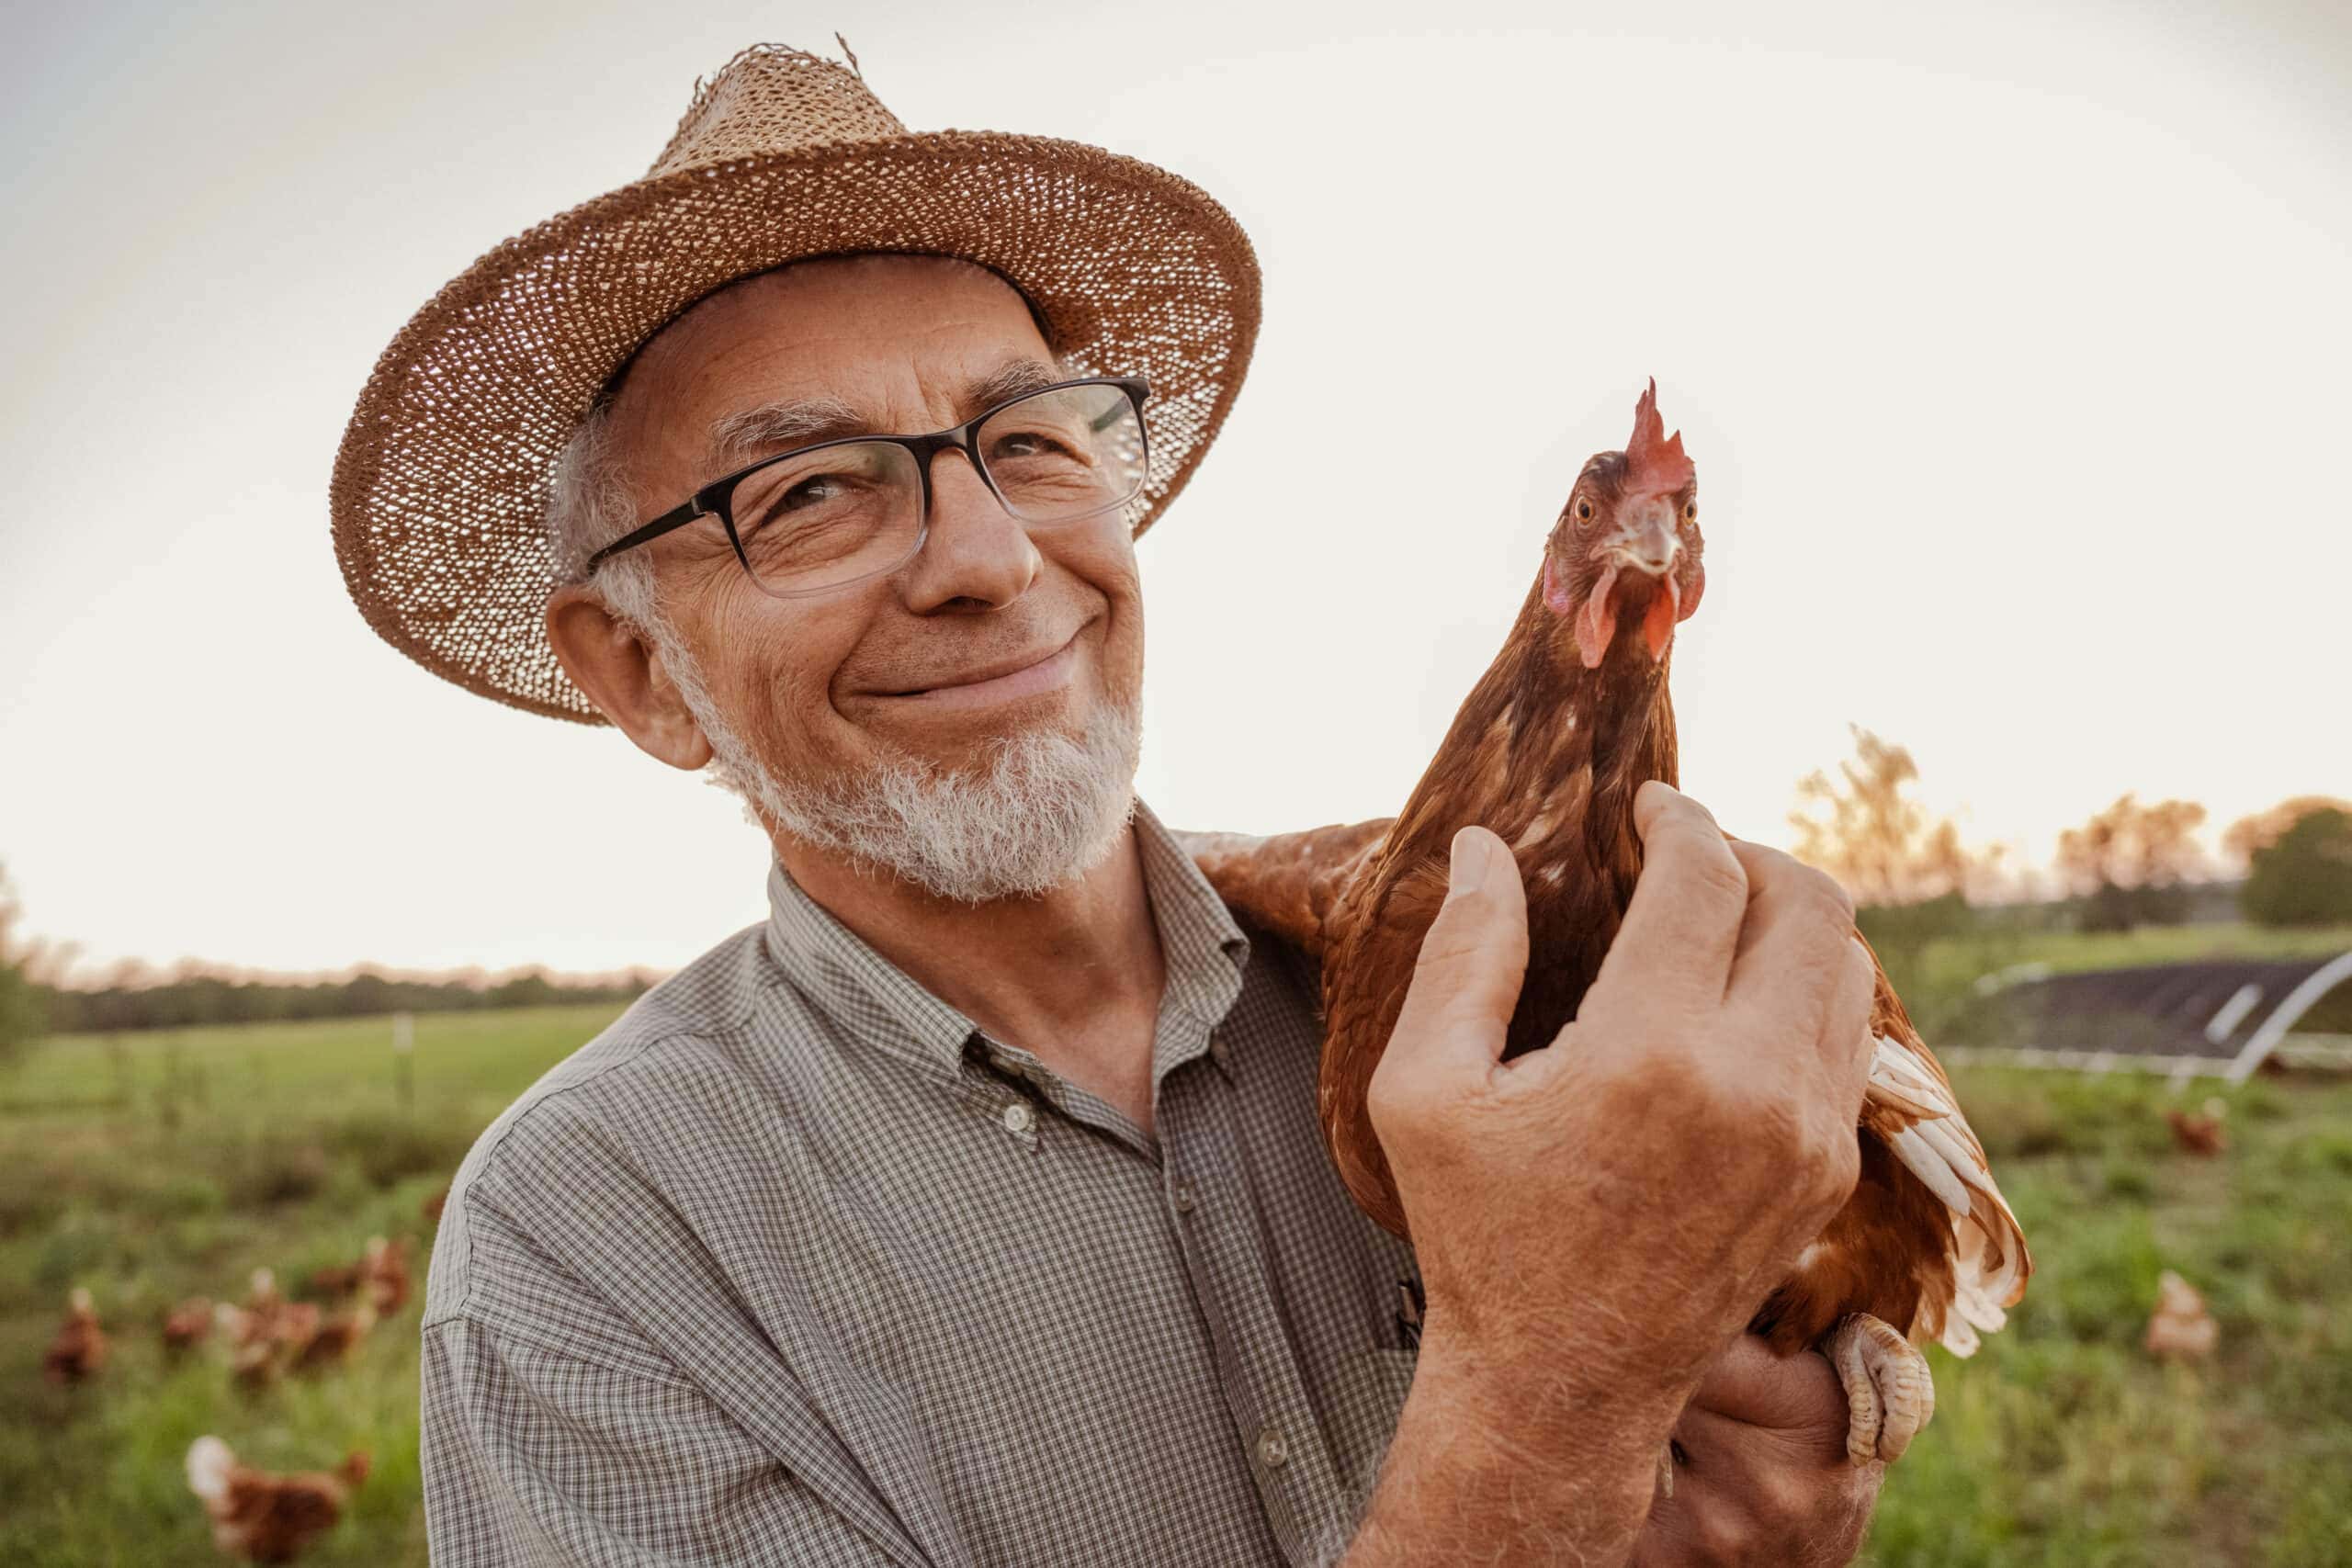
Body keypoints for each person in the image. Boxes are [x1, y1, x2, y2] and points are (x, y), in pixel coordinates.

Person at [334, 42, 1882, 1567]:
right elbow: (1564, 1421)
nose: (989, 558)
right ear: (640, 674)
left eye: (1029, 442)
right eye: (809, 490)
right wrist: (1551, 1404)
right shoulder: (593, 1256)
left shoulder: (1434, 970)